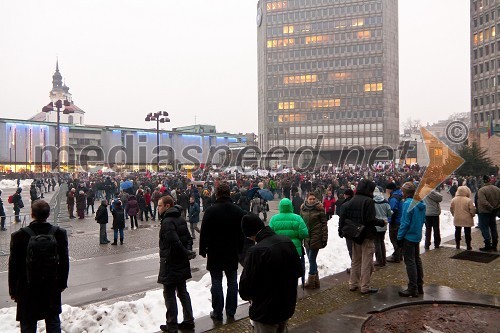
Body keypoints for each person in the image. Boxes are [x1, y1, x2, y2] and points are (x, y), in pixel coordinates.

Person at [8, 200, 69, 333]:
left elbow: (13, 266)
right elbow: (64, 262)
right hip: (51, 285)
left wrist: (13, 290)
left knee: (28, 323)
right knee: (52, 321)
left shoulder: (18, 236)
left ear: (32, 214)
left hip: (27, 286)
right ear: (48, 214)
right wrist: (62, 283)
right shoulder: (59, 233)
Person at [239, 213, 302, 333]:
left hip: (265, 311)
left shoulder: (256, 251)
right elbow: (298, 271)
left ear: (250, 233)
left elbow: (246, 287)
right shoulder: (286, 241)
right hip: (286, 306)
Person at [199, 182, 246, 322]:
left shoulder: (211, 211)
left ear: (217, 194)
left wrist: (203, 249)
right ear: (229, 193)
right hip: (232, 251)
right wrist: (240, 250)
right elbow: (242, 233)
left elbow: (204, 233)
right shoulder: (238, 211)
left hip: (215, 252)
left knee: (217, 282)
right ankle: (231, 311)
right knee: (232, 282)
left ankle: (218, 312)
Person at [157, 195, 196, 333]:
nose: (158, 208)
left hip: (171, 262)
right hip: (181, 262)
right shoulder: (180, 218)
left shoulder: (167, 222)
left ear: (167, 206)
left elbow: (174, 242)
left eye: (160, 205)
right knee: (182, 291)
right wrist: (188, 251)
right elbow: (188, 238)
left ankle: (172, 324)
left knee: (169, 293)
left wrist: (186, 252)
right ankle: (189, 320)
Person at [340, 179, 385, 294]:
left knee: (355, 260)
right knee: (366, 261)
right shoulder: (368, 201)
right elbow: (370, 220)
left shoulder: (352, 200)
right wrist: (381, 222)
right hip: (367, 234)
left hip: (355, 234)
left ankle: (352, 284)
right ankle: (365, 286)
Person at [268, 198, 309, 286]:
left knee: (281, 273)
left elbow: (269, 235)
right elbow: (304, 233)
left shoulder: (274, 219)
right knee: (294, 274)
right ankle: (293, 293)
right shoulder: (297, 218)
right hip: (295, 251)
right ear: (291, 206)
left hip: (279, 251)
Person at [397, 182, 426, 297]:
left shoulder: (407, 204)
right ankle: (419, 286)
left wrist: (399, 237)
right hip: (416, 235)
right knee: (417, 259)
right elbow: (423, 220)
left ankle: (412, 287)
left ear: (405, 192)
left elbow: (404, 223)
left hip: (408, 236)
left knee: (410, 262)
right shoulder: (421, 203)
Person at [300, 193, 328, 289]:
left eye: (313, 199)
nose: (312, 200)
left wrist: (324, 238)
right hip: (307, 237)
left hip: (317, 237)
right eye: (310, 199)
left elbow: (324, 225)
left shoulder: (320, 210)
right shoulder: (303, 210)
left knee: (311, 259)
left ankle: (311, 281)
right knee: (311, 259)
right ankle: (316, 281)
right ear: (307, 199)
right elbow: (301, 223)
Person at [476, 175, 500, 251]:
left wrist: (491, 207)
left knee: (484, 228)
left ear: (484, 181)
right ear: (490, 180)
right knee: (493, 227)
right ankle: (495, 244)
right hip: (494, 211)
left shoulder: (482, 190)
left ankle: (487, 245)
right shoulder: (497, 189)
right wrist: (496, 207)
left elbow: (483, 202)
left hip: (485, 212)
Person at [450, 186, 476, 250]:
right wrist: (472, 215)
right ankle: (468, 245)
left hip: (457, 218)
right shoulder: (468, 200)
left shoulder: (454, 199)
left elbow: (451, 209)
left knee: (457, 231)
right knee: (467, 232)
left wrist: (454, 214)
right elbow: (472, 209)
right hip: (467, 218)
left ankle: (457, 244)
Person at [373, 187, 392, 267]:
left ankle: (379, 260)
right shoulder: (385, 201)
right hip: (384, 223)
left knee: (376, 242)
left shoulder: (372, 202)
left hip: (376, 223)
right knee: (381, 241)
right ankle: (384, 260)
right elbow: (389, 213)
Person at [386, 183, 403, 263]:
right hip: (400, 220)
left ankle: (396, 257)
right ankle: (399, 255)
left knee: (394, 239)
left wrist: (390, 220)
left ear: (390, 189)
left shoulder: (393, 198)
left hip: (395, 221)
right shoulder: (400, 194)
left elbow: (392, 210)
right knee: (398, 238)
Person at [337, 188, 354, 262]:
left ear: (345, 195)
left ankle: (354, 265)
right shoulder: (357, 202)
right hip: (358, 228)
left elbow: (342, 218)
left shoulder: (344, 205)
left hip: (348, 229)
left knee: (351, 249)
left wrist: (340, 230)